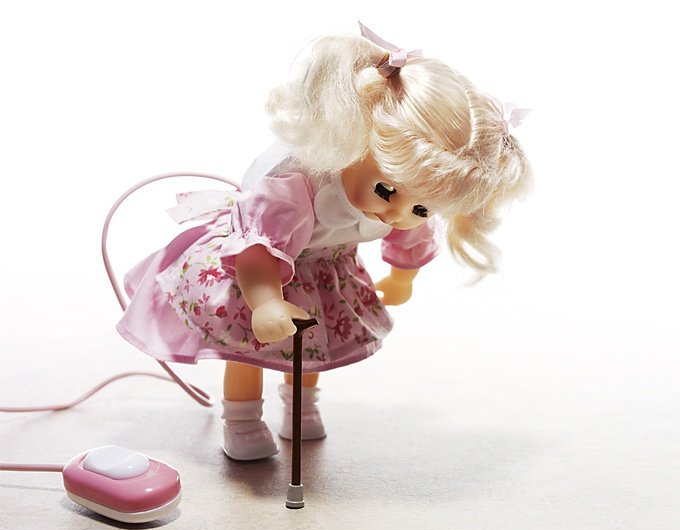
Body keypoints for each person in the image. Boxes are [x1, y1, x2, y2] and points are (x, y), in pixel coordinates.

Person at [116, 23, 531, 461]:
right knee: (246, 349)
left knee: (311, 343)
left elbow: (409, 234)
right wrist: (265, 302)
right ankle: (241, 418)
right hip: (258, 270)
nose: (396, 214)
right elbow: (257, 251)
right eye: (386, 191)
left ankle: (301, 405)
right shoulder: (298, 187)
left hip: (323, 269)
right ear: (362, 145)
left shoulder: (406, 204)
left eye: (423, 207)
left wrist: (401, 277)